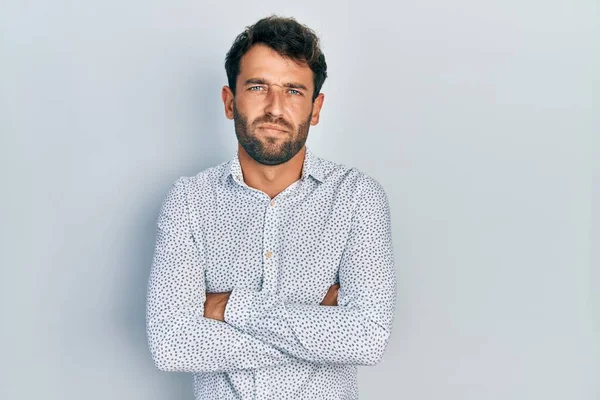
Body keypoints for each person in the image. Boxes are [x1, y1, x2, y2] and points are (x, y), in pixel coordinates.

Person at [146, 15, 397, 400]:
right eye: (258, 86)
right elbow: (171, 344)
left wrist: (230, 308)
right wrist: (319, 331)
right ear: (230, 102)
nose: (275, 108)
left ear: (315, 108)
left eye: (294, 91)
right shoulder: (189, 200)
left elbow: (367, 339)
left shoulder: (358, 197)